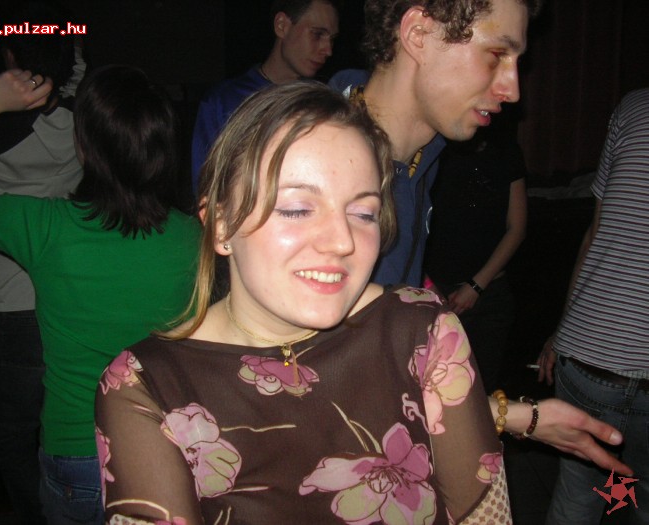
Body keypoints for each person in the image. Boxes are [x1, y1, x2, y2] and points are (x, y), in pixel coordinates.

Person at [95, 82, 629, 525]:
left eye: (364, 212)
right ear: (220, 225)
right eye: (298, 208)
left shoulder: (423, 329)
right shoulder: (144, 389)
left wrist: (503, 413)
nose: (342, 242)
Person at [0, 66, 201, 524]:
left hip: (76, 452)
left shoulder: (44, 228)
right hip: (167, 448)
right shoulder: (195, 238)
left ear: (84, 148)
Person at [0, 4, 82, 522]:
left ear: (9, 59)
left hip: (11, 300)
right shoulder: (83, 113)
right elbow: (73, 57)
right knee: (62, 417)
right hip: (66, 286)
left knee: (9, 432)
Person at [329, 0, 536, 288]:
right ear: (419, 34)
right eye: (496, 54)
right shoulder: (306, 159)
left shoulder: (425, 156)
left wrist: (424, 296)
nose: (512, 91)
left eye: (516, 62)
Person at [537, 89, 649, 524]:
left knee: (579, 496)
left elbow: (595, 234)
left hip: (587, 357)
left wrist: (561, 330)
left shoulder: (634, 106)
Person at [190, 0, 340, 195]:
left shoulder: (323, 104)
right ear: (282, 26)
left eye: (332, 39)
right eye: (317, 34)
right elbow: (206, 189)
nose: (328, 50)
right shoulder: (224, 101)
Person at [424, 121, 527, 393]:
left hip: (488, 294)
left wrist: (475, 286)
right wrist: (429, 286)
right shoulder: (434, 147)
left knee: (481, 392)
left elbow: (517, 228)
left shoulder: (505, 150)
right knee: (434, 391)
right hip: (435, 291)